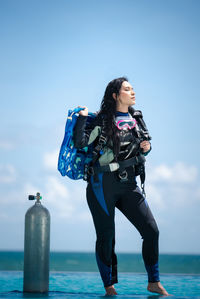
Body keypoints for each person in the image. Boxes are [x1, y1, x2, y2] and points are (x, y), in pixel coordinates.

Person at [73, 77, 169, 296]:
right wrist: (81, 118)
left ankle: (154, 282)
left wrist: (147, 147)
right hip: (102, 184)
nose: (132, 92)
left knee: (151, 231)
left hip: (129, 183)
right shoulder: (102, 120)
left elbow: (141, 147)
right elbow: (81, 143)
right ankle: (109, 288)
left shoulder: (137, 117)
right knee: (106, 236)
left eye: (133, 88)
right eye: (127, 89)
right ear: (116, 95)